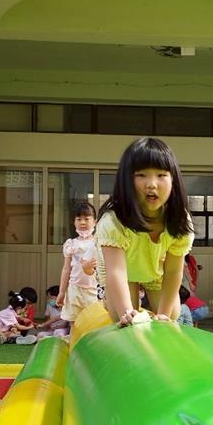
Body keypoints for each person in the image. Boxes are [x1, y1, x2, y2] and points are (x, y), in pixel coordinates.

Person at [96, 137, 193, 326]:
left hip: (154, 270)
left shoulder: (179, 220)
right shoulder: (114, 220)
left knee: (173, 314)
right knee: (122, 318)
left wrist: (164, 314)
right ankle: (110, 299)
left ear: (173, 180)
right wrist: (127, 313)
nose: (152, 184)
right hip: (121, 272)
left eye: (161, 175)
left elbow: (173, 271)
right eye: (141, 175)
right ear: (126, 180)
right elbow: (116, 271)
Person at [57, 202, 98, 331]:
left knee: (93, 323)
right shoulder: (71, 244)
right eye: (78, 219)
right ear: (73, 222)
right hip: (74, 289)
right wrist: (62, 292)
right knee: (74, 323)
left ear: (95, 222)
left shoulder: (98, 243)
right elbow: (66, 269)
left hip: (94, 290)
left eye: (87, 219)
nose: (82, 222)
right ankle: (74, 342)